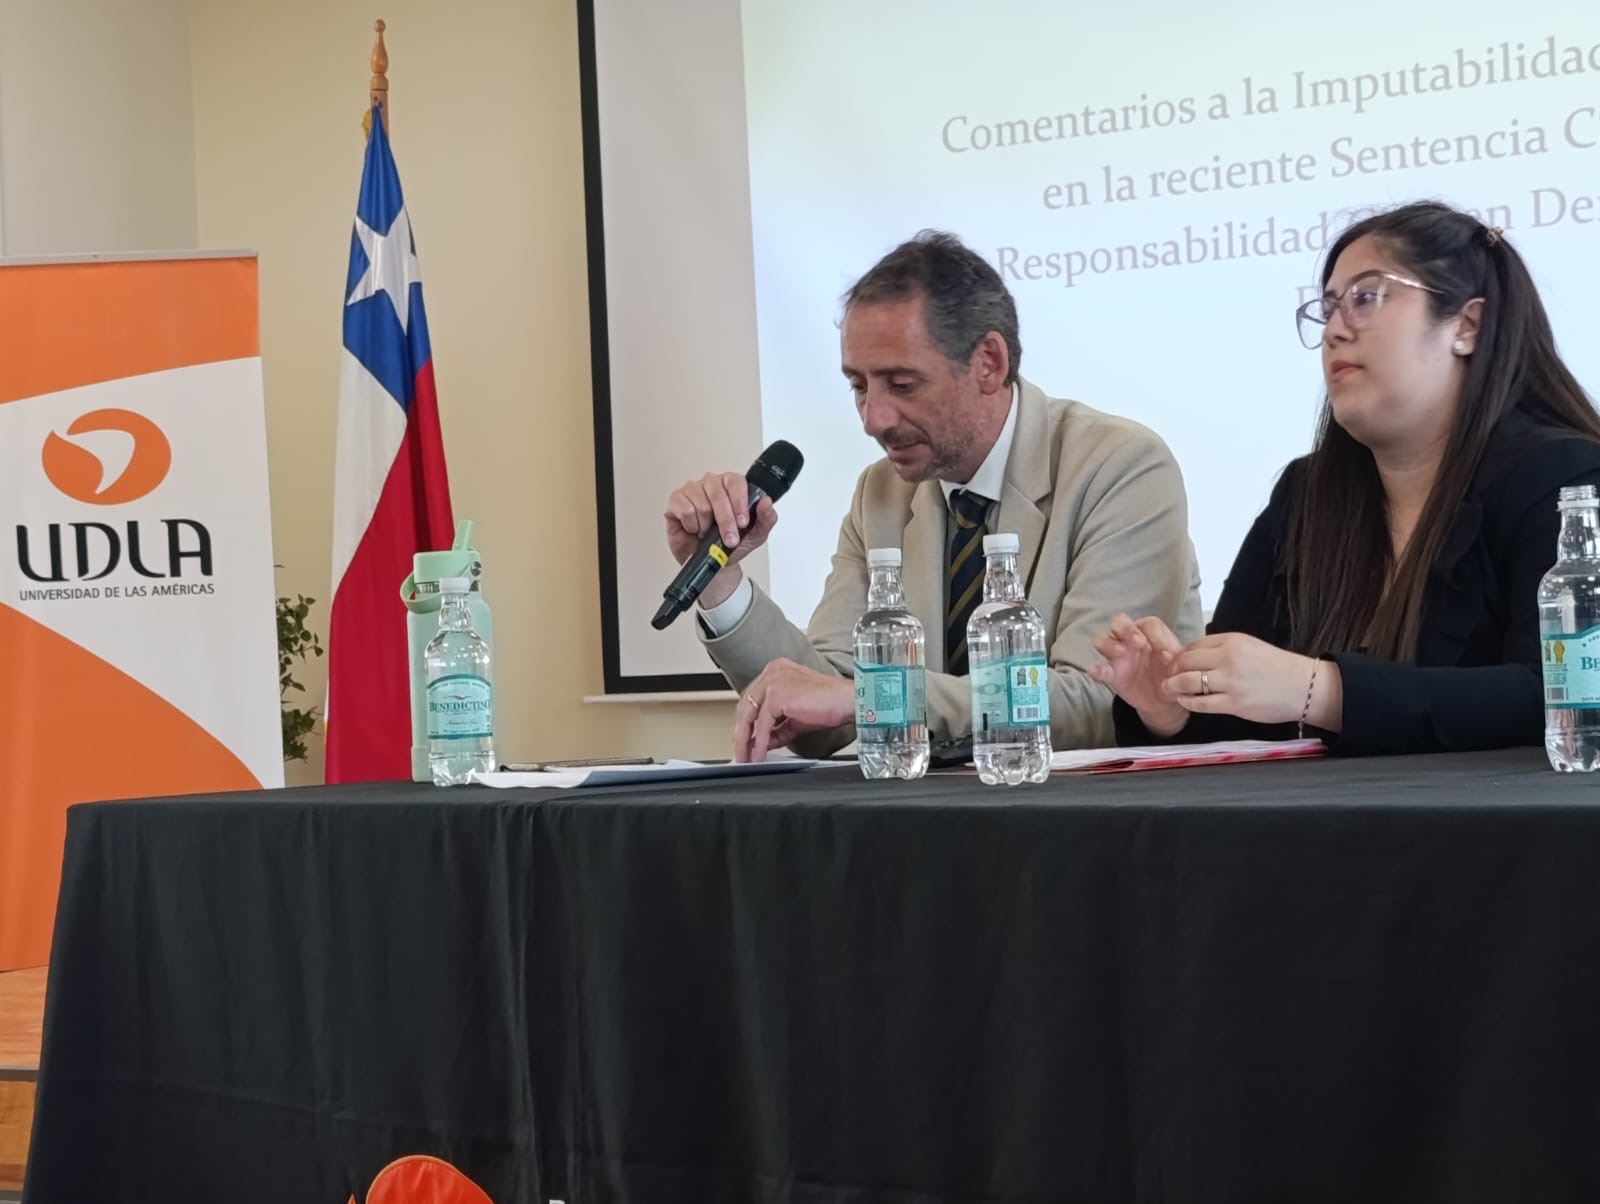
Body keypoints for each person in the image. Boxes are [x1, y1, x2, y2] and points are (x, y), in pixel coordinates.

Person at [663, 230, 1203, 761]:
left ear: (989, 363)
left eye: (902, 384)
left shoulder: (1121, 466)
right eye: (858, 386)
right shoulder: (881, 493)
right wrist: (720, 580)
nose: (873, 419)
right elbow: (824, 708)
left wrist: (872, 698)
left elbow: (1096, 703)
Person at [1091, 201, 1600, 755]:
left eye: (1365, 298)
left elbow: (1563, 697)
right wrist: (1174, 708)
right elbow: (1253, 708)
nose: (1334, 330)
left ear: (1466, 326)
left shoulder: (1566, 477)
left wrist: (1321, 689)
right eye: (1328, 308)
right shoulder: (1304, 497)